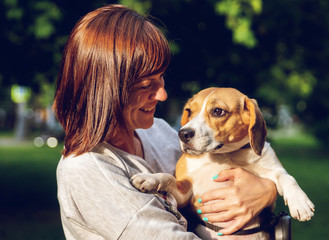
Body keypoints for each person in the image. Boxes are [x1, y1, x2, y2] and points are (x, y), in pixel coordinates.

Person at [53, 4, 277, 240]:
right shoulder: (88, 169)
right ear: (106, 88)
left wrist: (267, 190)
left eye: (161, 78)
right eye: (146, 85)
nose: (162, 95)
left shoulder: (158, 132)